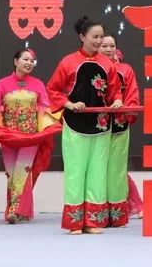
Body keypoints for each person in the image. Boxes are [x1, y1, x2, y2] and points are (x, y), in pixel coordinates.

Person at [47, 16, 123, 234]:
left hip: (101, 124)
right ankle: (74, 222)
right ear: (82, 37)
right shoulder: (68, 62)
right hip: (75, 124)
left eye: (101, 36)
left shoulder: (108, 64)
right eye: (95, 37)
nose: (99, 41)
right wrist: (69, 104)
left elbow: (114, 91)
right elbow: (52, 89)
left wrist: (117, 100)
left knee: (98, 173)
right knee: (76, 171)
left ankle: (93, 221)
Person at [0, 48, 53, 223]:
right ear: (15, 61)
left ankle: (14, 211)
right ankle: (22, 211)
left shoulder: (38, 84)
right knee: (11, 173)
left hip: (30, 136)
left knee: (22, 171)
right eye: (25, 59)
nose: (29, 63)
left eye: (32, 61)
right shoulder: (2, 84)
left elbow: (44, 108)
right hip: (9, 136)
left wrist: (45, 130)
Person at [99, 35, 140, 227]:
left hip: (119, 124)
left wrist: (125, 109)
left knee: (117, 169)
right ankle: (97, 212)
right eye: (104, 46)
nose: (108, 49)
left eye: (112, 46)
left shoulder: (126, 70)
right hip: (96, 126)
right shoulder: (93, 68)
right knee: (98, 169)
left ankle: (117, 214)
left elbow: (132, 94)